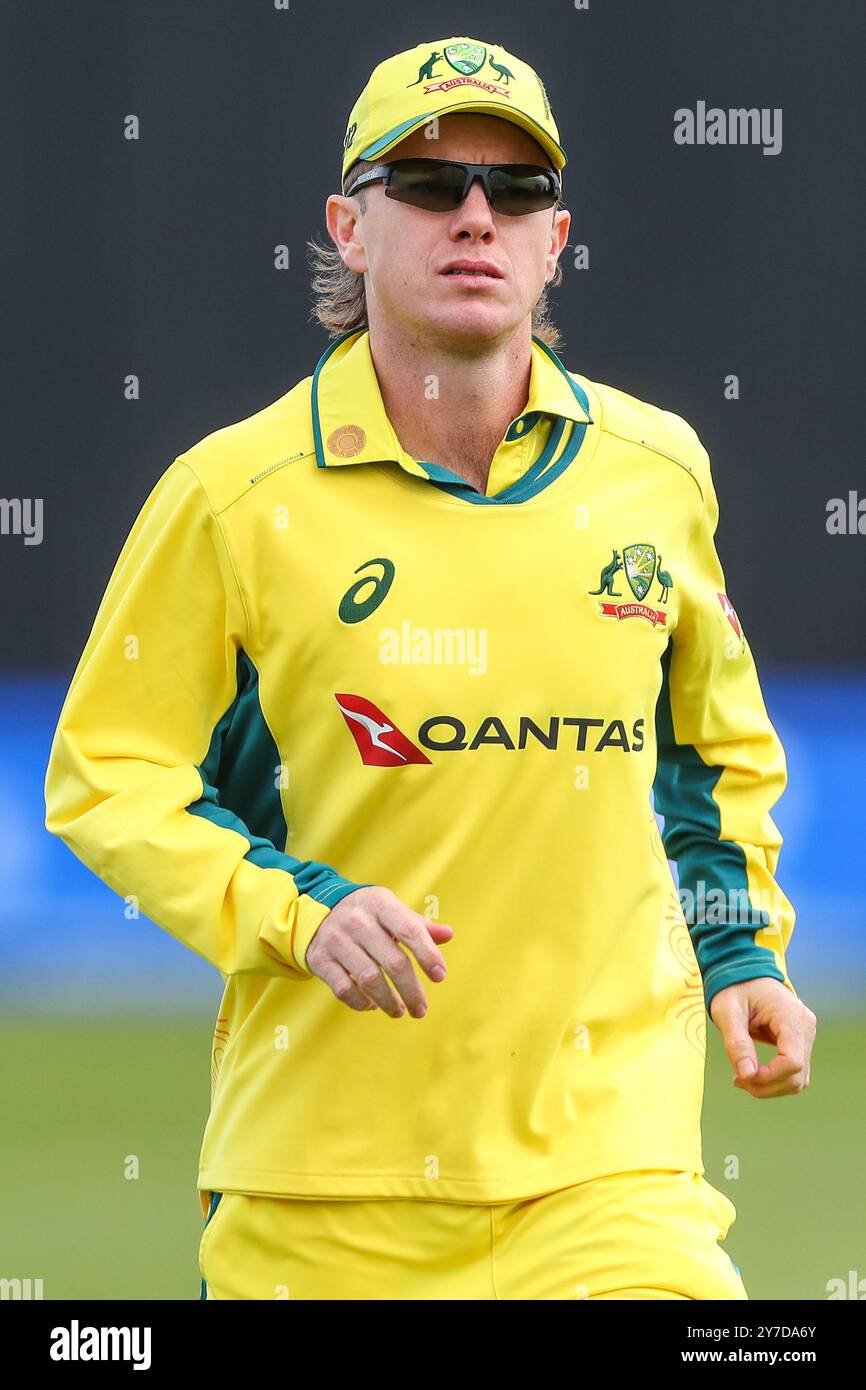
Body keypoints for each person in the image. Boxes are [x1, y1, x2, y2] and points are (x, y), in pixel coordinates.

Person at [44, 35, 816, 1300]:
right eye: (428, 182)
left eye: (513, 192)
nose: (475, 216)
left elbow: (710, 756)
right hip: (321, 1194)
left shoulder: (657, 470)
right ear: (348, 228)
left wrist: (739, 955)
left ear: (554, 240)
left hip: (610, 1174)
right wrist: (302, 913)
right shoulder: (231, 496)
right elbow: (104, 775)